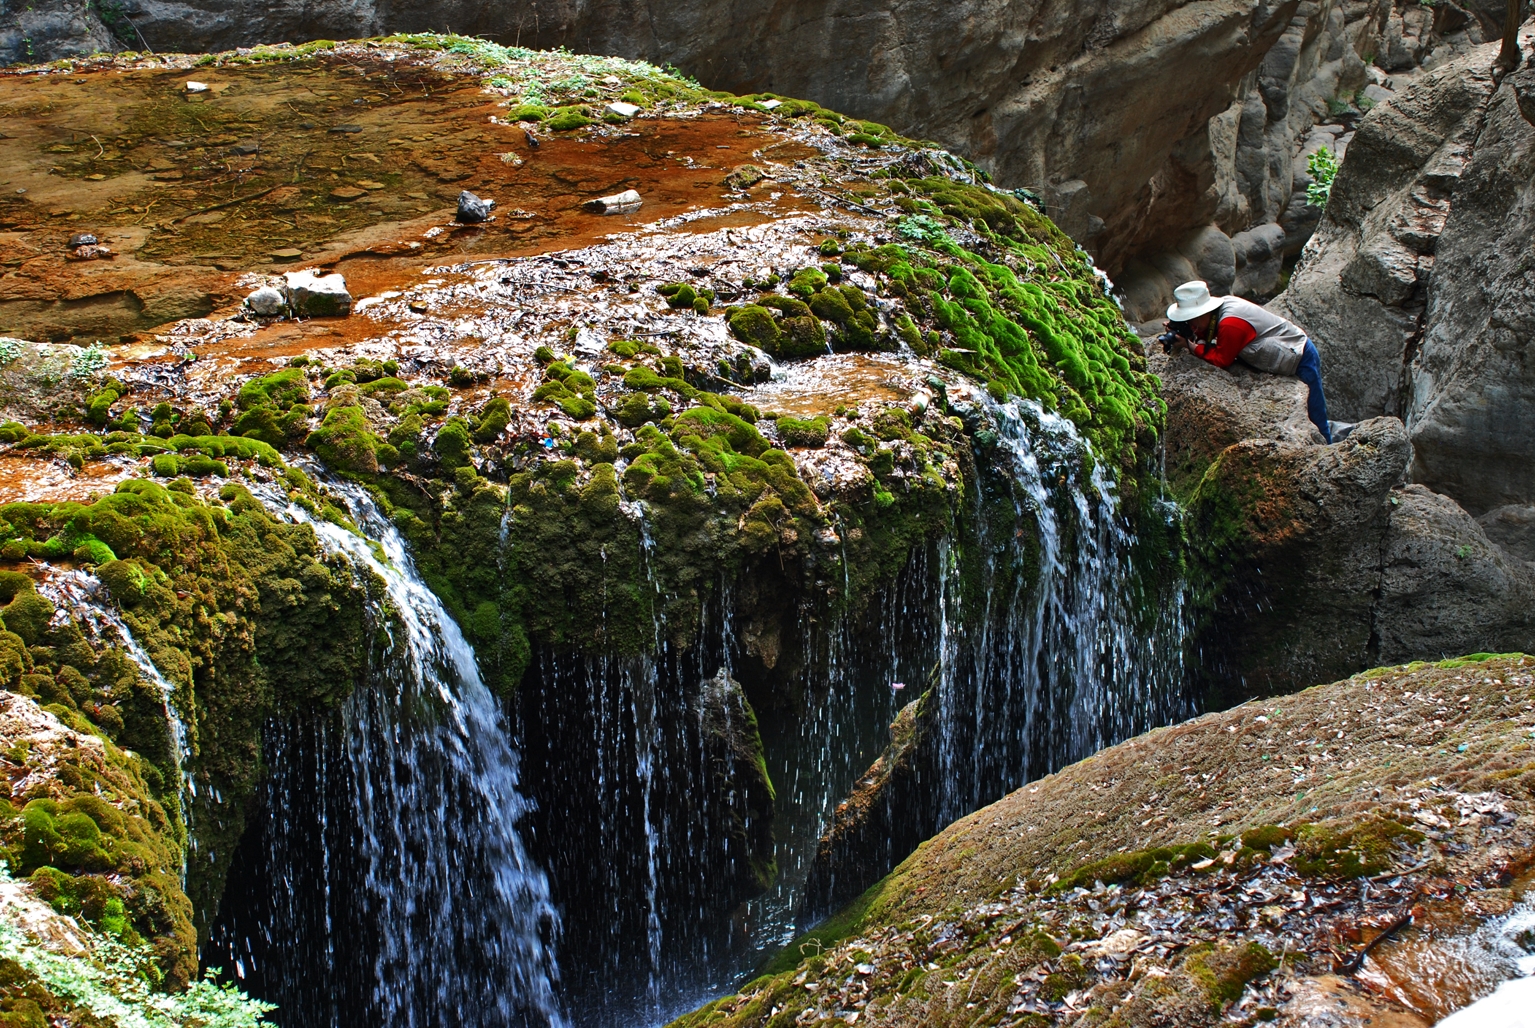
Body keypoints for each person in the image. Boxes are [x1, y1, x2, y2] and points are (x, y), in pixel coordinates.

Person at [1161, 280, 1344, 443]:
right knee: (1315, 409)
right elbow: (1206, 333)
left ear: (1204, 312)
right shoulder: (1218, 311)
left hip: (1299, 353)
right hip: (1284, 348)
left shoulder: (1230, 323)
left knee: (1315, 412)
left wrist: (1189, 346)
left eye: (1191, 320)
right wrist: (1188, 333)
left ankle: (1327, 443)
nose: (1191, 325)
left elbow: (1222, 359)